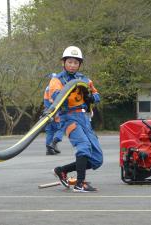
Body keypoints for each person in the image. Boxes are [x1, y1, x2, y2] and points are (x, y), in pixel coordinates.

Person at [48, 46, 103, 192]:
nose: (72, 65)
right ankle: (80, 183)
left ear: (80, 64)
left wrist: (91, 97)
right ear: (64, 62)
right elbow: (55, 97)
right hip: (69, 117)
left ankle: (62, 170)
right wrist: (70, 90)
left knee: (97, 158)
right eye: (70, 62)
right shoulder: (57, 80)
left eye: (76, 62)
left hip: (84, 117)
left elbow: (97, 95)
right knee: (83, 146)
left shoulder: (84, 79)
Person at [43, 81, 63, 155]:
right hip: (55, 113)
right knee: (60, 129)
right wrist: (57, 113)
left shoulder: (47, 89)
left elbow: (46, 101)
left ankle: (49, 149)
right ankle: (54, 143)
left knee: (49, 131)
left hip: (47, 113)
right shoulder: (56, 89)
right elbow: (56, 102)